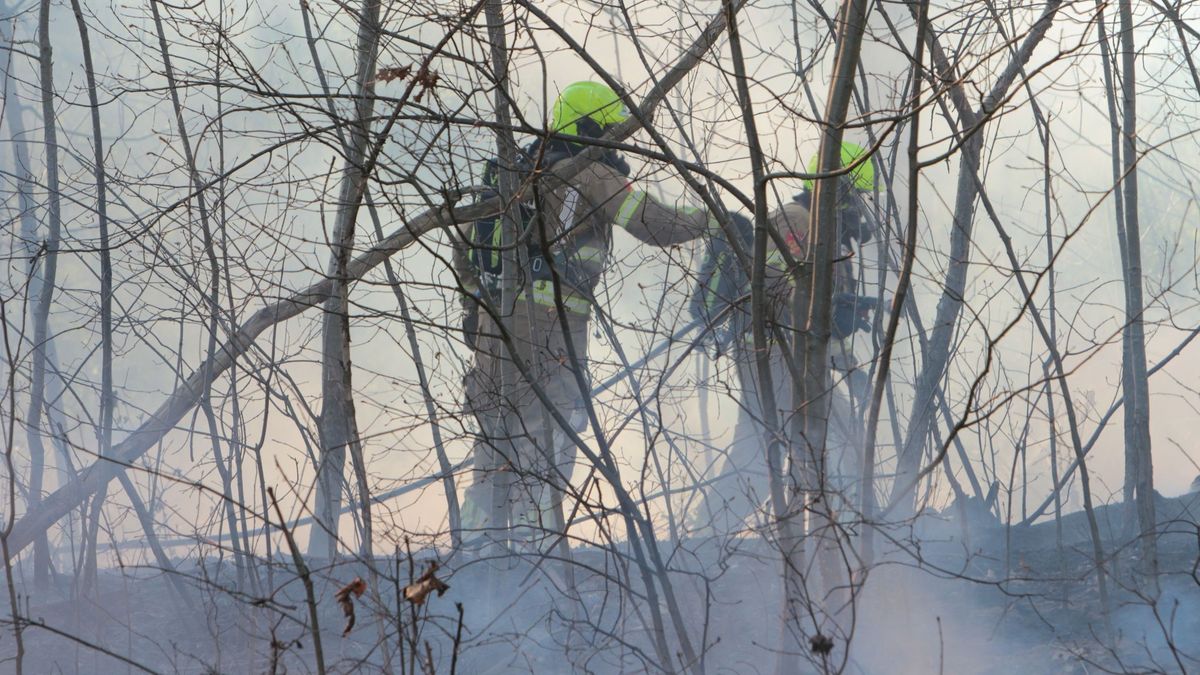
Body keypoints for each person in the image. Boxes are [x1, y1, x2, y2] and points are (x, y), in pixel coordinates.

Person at [454, 80, 719, 547]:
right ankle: (541, 556)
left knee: (494, 442)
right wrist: (712, 217)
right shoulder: (589, 172)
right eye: (612, 131)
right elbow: (656, 224)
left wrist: (474, 314)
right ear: (590, 127)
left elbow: (465, 248)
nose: (616, 142)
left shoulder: (511, 172)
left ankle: (475, 555)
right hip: (551, 332)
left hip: (492, 329)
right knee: (549, 440)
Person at [692, 141, 879, 535]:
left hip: (798, 358)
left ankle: (843, 532)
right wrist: (828, 307)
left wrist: (852, 369)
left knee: (792, 445)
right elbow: (776, 292)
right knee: (774, 450)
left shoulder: (829, 241)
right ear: (839, 190)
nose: (861, 210)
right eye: (858, 197)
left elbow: (825, 325)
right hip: (773, 351)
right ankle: (710, 534)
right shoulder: (796, 219)